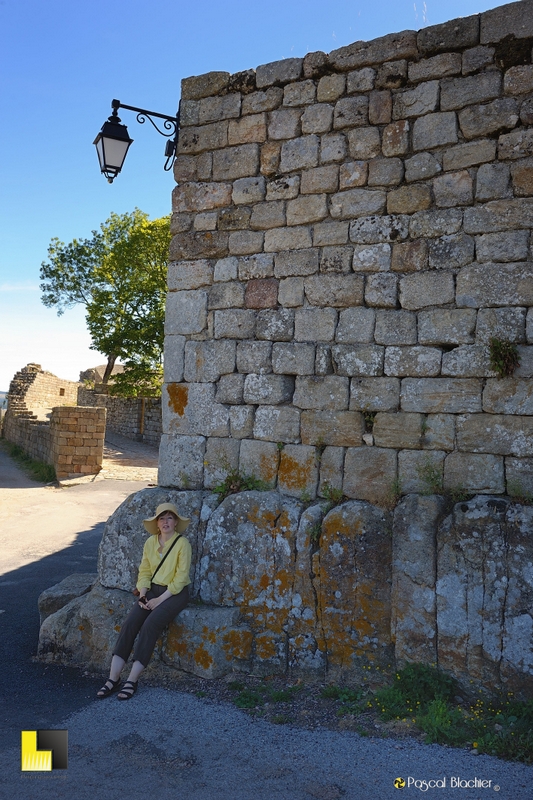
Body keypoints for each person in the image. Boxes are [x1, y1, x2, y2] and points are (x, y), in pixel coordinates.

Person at [96, 502, 191, 700]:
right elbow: (145, 571)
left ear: (175, 523)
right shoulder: (150, 543)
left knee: (150, 625)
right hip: (152, 590)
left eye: (170, 518)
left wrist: (158, 601)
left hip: (174, 593)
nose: (166, 522)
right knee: (131, 623)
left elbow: (181, 579)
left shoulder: (183, 544)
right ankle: (113, 678)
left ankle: (132, 679)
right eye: (162, 518)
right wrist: (143, 595)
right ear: (157, 523)